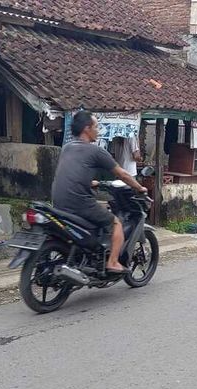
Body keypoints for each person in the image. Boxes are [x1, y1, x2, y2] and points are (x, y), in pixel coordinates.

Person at [52, 110, 148, 274]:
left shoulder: (67, 148)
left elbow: (73, 172)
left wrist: (92, 182)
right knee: (115, 223)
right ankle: (112, 262)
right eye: (96, 127)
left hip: (58, 202)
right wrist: (139, 188)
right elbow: (122, 174)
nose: (99, 130)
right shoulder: (96, 151)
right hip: (80, 203)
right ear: (87, 129)